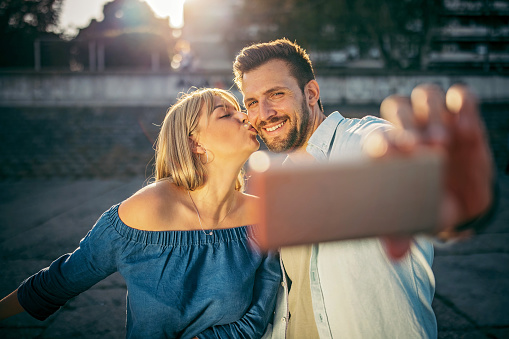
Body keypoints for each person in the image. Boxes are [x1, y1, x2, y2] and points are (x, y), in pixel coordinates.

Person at [233, 38, 496, 338]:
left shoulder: (364, 143)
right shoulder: (280, 181)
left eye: (275, 94)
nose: (263, 113)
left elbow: (406, 168)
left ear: (311, 93)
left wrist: (448, 191)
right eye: (252, 102)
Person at [0, 88, 281, 338]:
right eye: (225, 114)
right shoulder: (145, 210)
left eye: (239, 110)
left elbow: (259, 315)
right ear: (195, 143)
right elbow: (60, 280)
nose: (245, 116)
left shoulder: (263, 215)